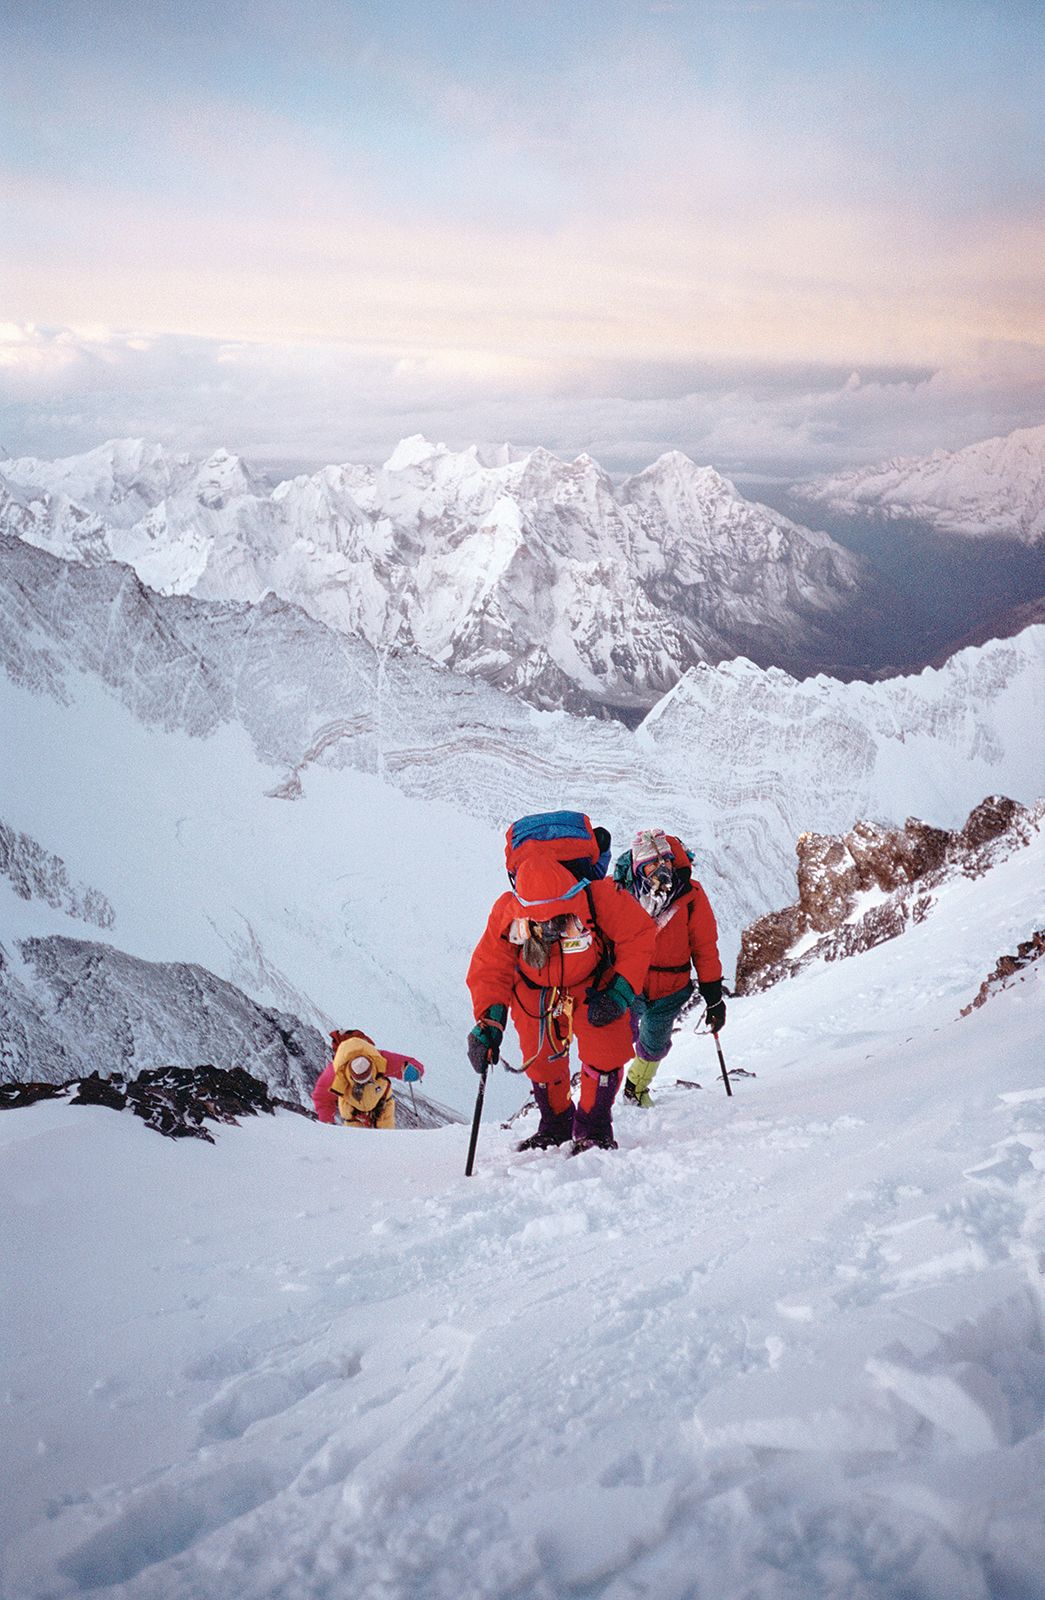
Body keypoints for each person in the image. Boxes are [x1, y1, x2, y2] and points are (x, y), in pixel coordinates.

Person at [466, 854, 657, 1153]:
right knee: (540, 1058)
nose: (546, 926)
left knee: (605, 1050)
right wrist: (488, 1022)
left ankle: (594, 1127)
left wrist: (619, 991)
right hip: (534, 989)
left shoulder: (600, 897)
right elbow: (491, 966)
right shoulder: (508, 911)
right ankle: (555, 1124)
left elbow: (638, 935)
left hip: (593, 983)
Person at [614, 828, 725, 1107]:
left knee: (654, 1046)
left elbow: (704, 946)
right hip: (629, 986)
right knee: (614, 1042)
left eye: (664, 861)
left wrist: (714, 998)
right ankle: (602, 1100)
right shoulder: (619, 893)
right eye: (652, 864)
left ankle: (635, 1088)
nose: (660, 869)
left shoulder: (691, 895)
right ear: (639, 867)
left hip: (671, 990)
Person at [313, 1030, 424, 1124]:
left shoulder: (335, 1072)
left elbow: (322, 1099)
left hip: (353, 1117)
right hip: (381, 1108)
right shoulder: (378, 1058)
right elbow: (412, 1065)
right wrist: (413, 1072)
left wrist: (327, 1123)